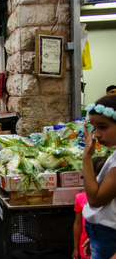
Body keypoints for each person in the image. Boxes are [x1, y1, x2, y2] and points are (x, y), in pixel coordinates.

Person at [82, 95, 116, 259]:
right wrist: (97, 235)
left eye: (102, 127)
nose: (96, 135)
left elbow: (95, 199)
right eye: (94, 127)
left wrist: (87, 157)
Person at [72, 157, 106, 259]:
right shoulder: (81, 198)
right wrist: (76, 248)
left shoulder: (110, 199)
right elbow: (78, 224)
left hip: (104, 247)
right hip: (86, 248)